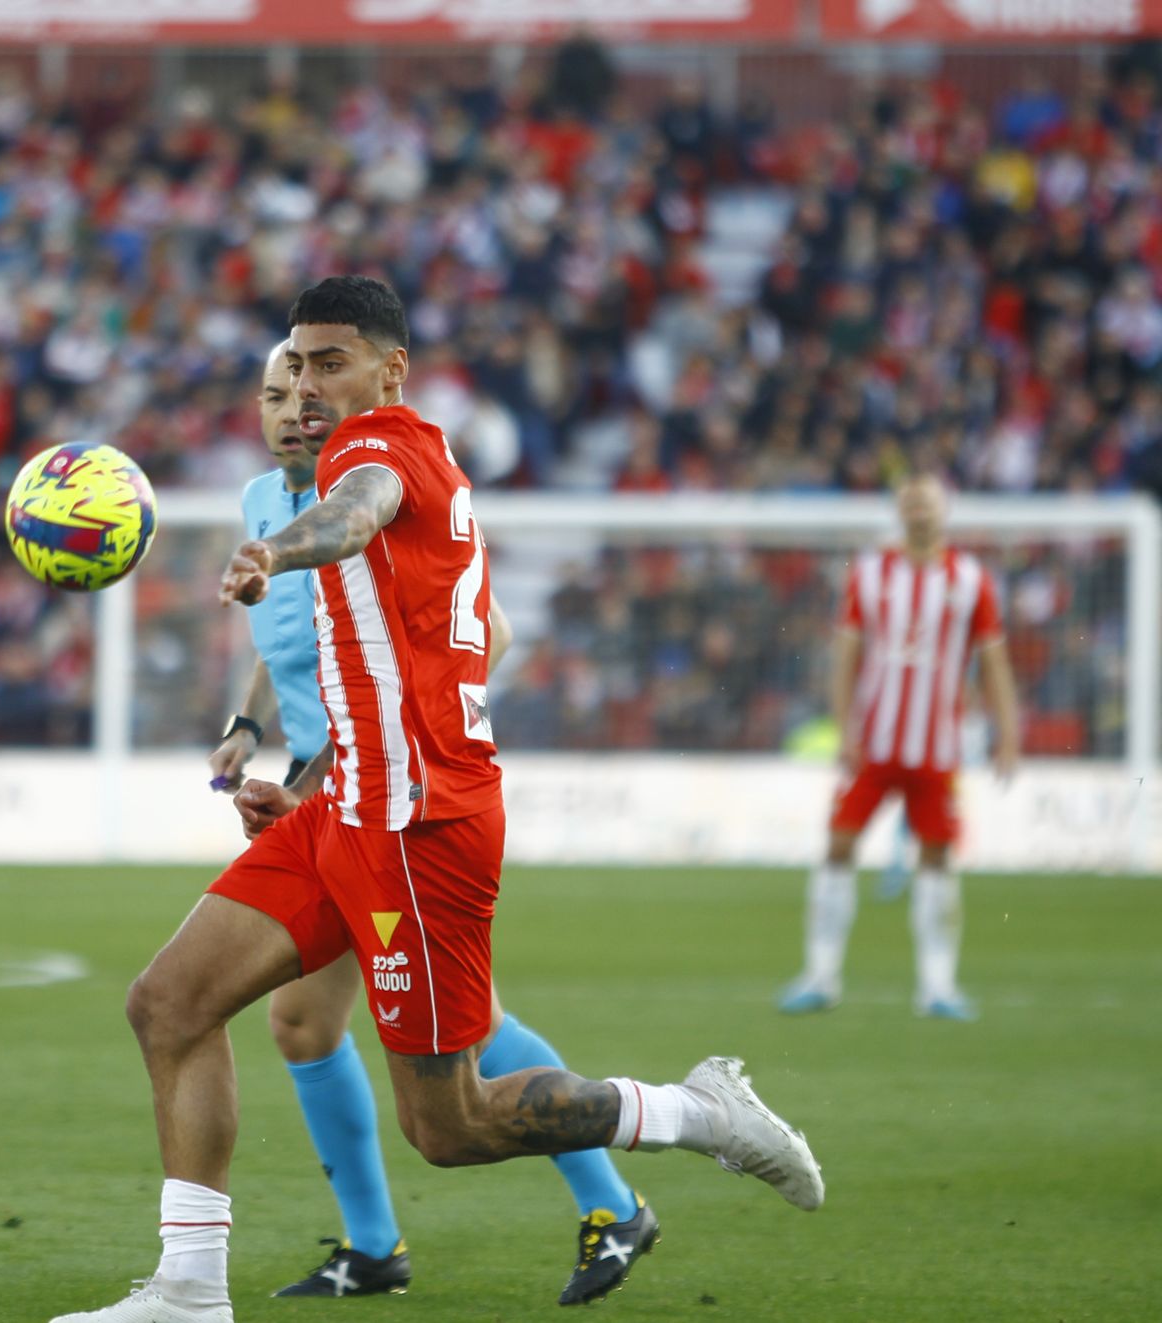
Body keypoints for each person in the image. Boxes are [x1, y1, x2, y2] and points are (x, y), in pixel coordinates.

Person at [49, 277, 823, 1323]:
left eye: (333, 363)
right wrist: (311, 774)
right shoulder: (355, 463)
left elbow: (351, 516)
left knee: (449, 1128)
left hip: (419, 830)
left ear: (388, 371)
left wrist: (277, 549)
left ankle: (691, 1110)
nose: (310, 387)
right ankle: (189, 1292)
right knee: (169, 1005)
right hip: (351, 808)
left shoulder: (380, 454)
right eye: (296, 365)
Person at [207, 341, 651, 1305]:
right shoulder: (258, 505)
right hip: (323, 792)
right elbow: (286, 633)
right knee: (303, 1020)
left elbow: (474, 632)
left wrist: (330, 773)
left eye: (308, 389)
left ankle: (611, 1202)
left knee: (462, 1026)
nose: (293, 407)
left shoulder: (373, 490)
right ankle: (375, 1246)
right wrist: (250, 721)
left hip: (386, 793)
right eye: (274, 393)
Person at [778, 475, 1020, 1021]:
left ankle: (937, 987)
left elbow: (995, 661)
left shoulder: (970, 580)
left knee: (936, 859)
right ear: (900, 509)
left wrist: (1009, 732)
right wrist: (845, 727)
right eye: (910, 498)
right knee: (839, 846)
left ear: (945, 508)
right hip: (875, 744)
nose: (918, 506)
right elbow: (845, 655)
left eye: (928, 498)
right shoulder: (870, 574)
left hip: (937, 748)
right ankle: (820, 976)